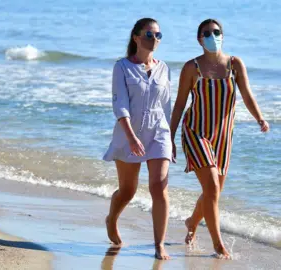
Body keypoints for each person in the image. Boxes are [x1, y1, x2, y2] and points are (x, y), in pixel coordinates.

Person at [169, 18, 270, 259]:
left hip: (223, 137)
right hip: (196, 132)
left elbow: (246, 94)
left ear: (222, 36)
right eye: (207, 33)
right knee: (212, 188)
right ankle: (218, 245)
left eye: (216, 32)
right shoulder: (191, 68)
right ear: (199, 39)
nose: (212, 36)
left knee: (212, 193)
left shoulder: (235, 64)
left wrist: (260, 119)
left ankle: (191, 222)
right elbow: (180, 104)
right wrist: (169, 138)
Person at [102, 17, 172, 260]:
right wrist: (131, 137)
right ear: (136, 37)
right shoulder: (121, 67)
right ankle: (112, 219)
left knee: (159, 187)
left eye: (158, 35)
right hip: (128, 132)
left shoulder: (164, 68)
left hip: (158, 132)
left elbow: (167, 107)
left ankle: (159, 244)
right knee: (128, 191)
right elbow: (120, 105)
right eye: (149, 34)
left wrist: (171, 140)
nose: (154, 39)